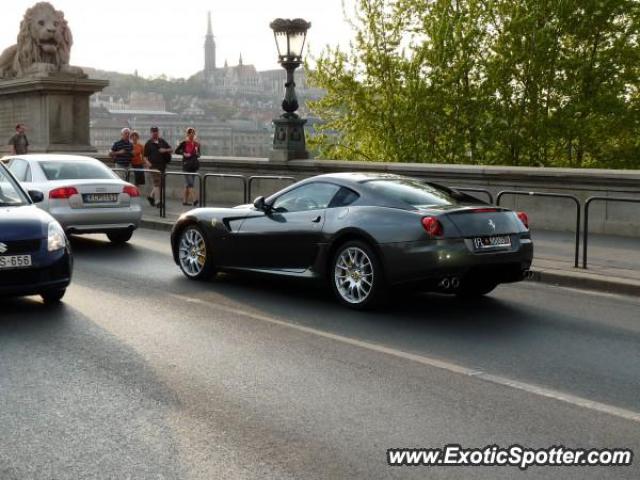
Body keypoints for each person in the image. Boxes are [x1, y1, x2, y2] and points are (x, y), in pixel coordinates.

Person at [143, 126, 172, 208]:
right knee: (157, 183)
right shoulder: (148, 143)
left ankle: (151, 197)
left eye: (156, 131)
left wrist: (164, 150)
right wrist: (148, 163)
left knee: (160, 184)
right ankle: (158, 202)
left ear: (158, 132)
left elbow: (171, 149)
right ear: (151, 132)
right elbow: (144, 156)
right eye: (153, 131)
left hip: (162, 165)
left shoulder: (162, 141)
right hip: (153, 166)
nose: (155, 133)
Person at [174, 127, 201, 206]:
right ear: (187, 134)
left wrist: (198, 154)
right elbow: (176, 151)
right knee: (190, 183)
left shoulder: (197, 144)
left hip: (193, 165)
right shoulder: (184, 143)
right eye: (190, 133)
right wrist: (184, 153)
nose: (192, 134)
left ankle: (184, 201)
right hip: (186, 165)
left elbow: (199, 154)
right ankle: (195, 199)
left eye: (193, 133)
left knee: (188, 184)